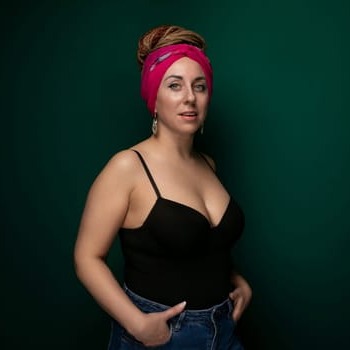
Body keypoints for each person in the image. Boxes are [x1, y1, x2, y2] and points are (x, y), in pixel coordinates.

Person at [74, 24, 252, 349]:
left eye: (200, 86)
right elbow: (87, 256)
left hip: (224, 329)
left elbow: (204, 246)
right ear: (153, 97)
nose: (189, 97)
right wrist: (137, 324)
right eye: (175, 85)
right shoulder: (128, 167)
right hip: (165, 335)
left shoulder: (208, 164)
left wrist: (236, 279)